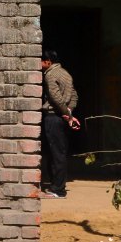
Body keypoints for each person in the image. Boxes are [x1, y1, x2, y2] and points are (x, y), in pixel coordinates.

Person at [41, 50, 79, 199]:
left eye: (41, 61)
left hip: (54, 117)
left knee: (56, 154)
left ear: (48, 61)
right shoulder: (65, 73)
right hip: (62, 117)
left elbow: (55, 97)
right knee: (59, 152)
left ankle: (58, 190)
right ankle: (55, 186)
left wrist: (66, 114)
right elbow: (74, 95)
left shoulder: (50, 75)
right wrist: (69, 111)